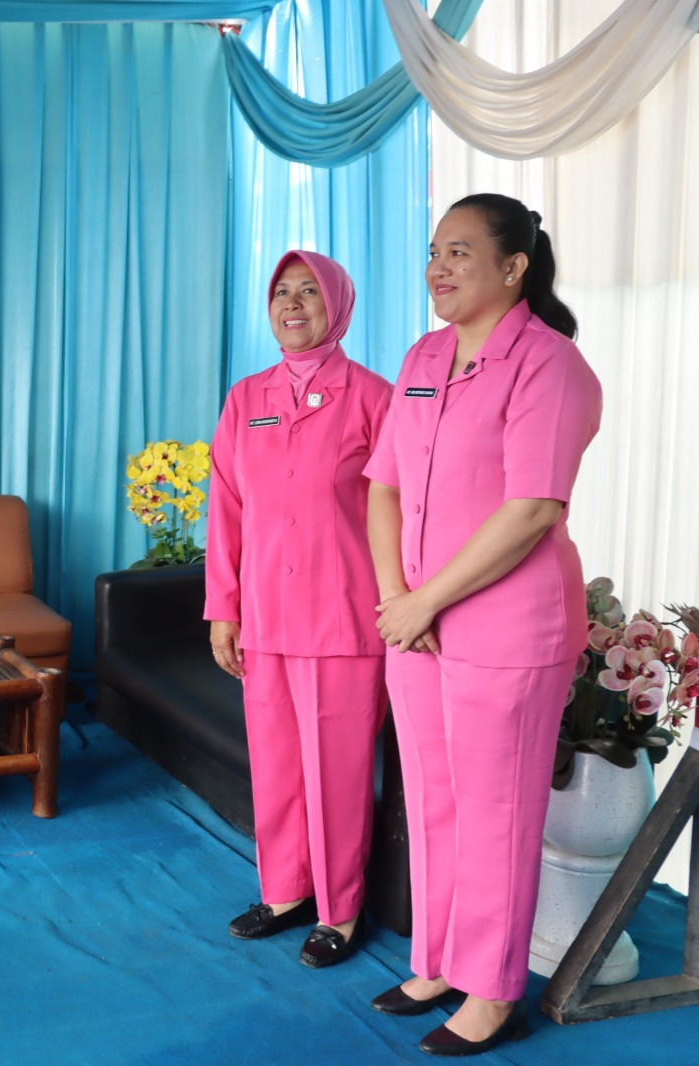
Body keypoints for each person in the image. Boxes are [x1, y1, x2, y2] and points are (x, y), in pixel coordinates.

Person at [363, 194, 601, 1056]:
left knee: (496, 811)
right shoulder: (423, 357)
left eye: (460, 251)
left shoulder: (550, 364)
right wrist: (398, 598)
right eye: (434, 251)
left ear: (513, 267)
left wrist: (426, 600)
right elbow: (383, 485)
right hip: (415, 626)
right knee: (431, 798)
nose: (440, 266)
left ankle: (493, 989)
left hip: (507, 630)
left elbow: (533, 508)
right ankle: (436, 961)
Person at [205, 250, 392, 969]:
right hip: (264, 616)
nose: (292, 303)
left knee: (337, 775)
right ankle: (284, 891)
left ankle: (340, 910)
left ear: (336, 304)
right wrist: (224, 609)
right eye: (281, 291)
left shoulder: (374, 398)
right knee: (277, 764)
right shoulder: (245, 398)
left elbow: (401, 509)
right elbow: (227, 510)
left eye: (308, 291)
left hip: (344, 619)